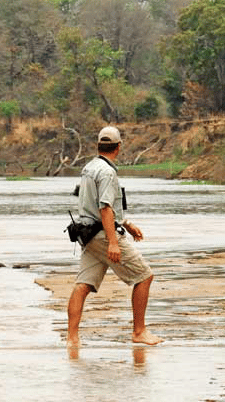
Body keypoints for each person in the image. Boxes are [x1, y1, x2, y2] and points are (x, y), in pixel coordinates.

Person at [67, 126, 163, 347]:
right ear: (119, 147)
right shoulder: (108, 172)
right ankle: (139, 332)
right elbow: (105, 208)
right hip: (102, 235)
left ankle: (72, 339)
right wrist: (113, 242)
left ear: (98, 146)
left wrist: (126, 224)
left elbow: (95, 206)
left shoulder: (88, 168)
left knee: (83, 284)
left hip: (87, 235)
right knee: (144, 276)